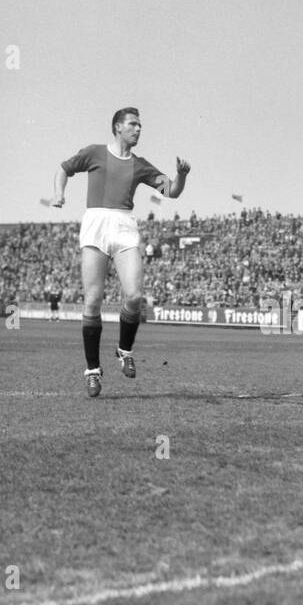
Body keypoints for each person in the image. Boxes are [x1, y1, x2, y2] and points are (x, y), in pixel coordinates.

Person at [49, 107, 191, 397]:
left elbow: (172, 191)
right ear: (117, 127)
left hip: (124, 225)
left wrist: (181, 175)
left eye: (140, 125)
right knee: (92, 301)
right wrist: (59, 193)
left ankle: (124, 350)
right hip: (96, 223)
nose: (138, 129)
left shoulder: (140, 165)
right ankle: (92, 371)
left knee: (135, 297)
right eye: (133, 124)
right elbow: (63, 168)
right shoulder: (94, 153)